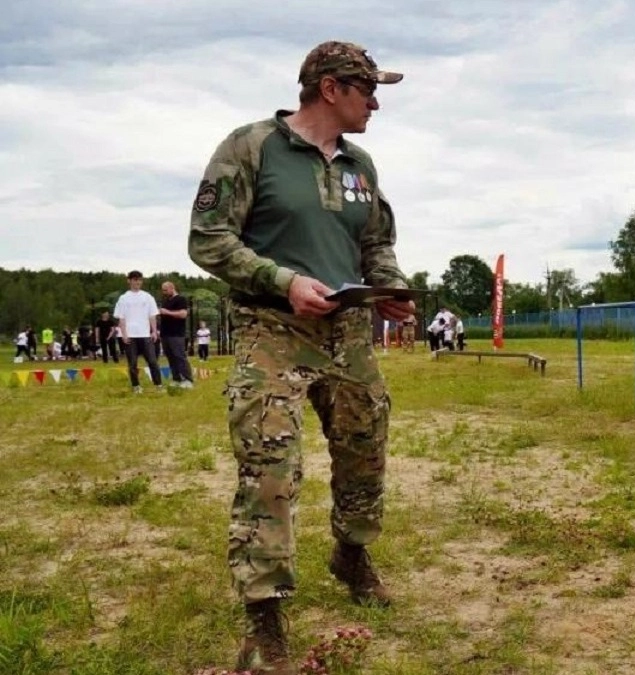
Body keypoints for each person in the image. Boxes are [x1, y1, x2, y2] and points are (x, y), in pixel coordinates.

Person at [187, 40, 410, 673]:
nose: (375, 105)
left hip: (350, 334)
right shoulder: (252, 147)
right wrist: (282, 280)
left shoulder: (361, 165)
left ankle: (352, 553)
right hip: (272, 330)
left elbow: (377, 244)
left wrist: (389, 287)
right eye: (368, 92)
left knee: (365, 453)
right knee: (271, 467)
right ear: (331, 88)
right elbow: (207, 240)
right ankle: (263, 619)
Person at [113, 270, 163, 393]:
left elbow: (152, 316)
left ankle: (159, 385)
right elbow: (121, 318)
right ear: (129, 281)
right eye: (135, 279)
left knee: (152, 361)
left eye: (139, 280)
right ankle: (136, 386)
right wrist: (124, 334)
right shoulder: (123, 298)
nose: (137, 282)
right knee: (133, 363)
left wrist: (154, 331)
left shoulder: (147, 297)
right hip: (130, 336)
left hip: (145, 335)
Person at [159, 281, 195, 388]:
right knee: (170, 357)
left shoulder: (180, 299)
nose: (164, 292)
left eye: (165, 290)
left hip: (176, 333)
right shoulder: (166, 301)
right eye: (162, 290)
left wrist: (167, 312)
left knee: (179, 356)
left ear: (172, 288)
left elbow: (183, 314)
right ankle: (176, 379)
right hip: (165, 333)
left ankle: (188, 379)